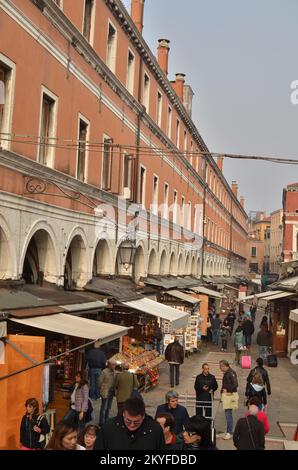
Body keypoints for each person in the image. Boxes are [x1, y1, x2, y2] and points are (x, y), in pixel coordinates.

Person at [94, 398, 165, 450]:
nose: (132, 425)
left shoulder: (155, 430)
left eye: (136, 422)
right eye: (128, 421)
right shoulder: (108, 428)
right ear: (123, 414)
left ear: (143, 416)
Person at [218, 360, 238, 440]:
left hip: (229, 396)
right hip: (227, 396)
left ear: (224, 366)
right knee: (227, 414)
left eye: (220, 366)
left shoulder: (231, 373)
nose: (220, 368)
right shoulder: (228, 373)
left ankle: (229, 432)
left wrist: (227, 389)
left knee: (228, 414)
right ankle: (228, 431)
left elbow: (235, 385)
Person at [98, 359, 116, 426]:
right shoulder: (104, 372)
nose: (114, 366)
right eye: (113, 365)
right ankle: (101, 422)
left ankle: (106, 420)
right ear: (109, 365)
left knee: (109, 407)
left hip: (111, 391)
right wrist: (102, 389)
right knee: (104, 407)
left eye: (115, 365)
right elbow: (99, 382)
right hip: (105, 391)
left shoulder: (114, 372)